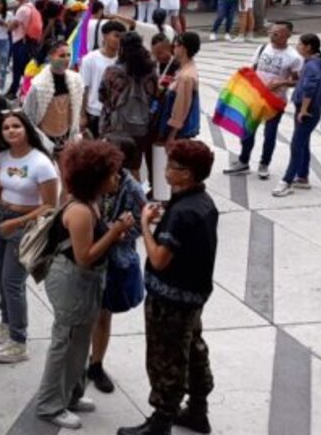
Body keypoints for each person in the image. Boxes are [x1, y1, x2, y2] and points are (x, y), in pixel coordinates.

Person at [118, 140, 219, 435]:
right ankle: (198, 410)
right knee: (193, 350)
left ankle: (161, 420)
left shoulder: (183, 211)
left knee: (166, 357)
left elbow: (160, 259)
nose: (166, 170)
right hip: (194, 295)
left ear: (187, 173)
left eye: (173, 166)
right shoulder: (202, 202)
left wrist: (146, 226)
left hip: (171, 299)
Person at [33, 140, 135, 429]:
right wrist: (115, 231)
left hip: (86, 281)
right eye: (113, 173)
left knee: (79, 342)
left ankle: (72, 394)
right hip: (73, 281)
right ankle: (50, 405)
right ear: (96, 177)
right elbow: (85, 257)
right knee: (65, 343)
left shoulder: (92, 201)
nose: (118, 178)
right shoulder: (79, 210)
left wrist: (114, 234)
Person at [0, 110, 59, 364]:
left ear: (27, 128)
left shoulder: (41, 163)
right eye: (6, 128)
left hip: (24, 228)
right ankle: (7, 322)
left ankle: (19, 340)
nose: (11, 131)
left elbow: (50, 205)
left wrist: (15, 220)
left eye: (16, 126)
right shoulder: (3, 157)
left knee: (12, 282)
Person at [87, 135, 147, 396]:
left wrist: (121, 234)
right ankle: (76, 359)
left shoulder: (132, 188)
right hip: (86, 254)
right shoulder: (89, 177)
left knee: (102, 313)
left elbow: (142, 223)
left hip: (113, 260)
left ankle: (96, 363)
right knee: (80, 312)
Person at [226, 21, 302, 179]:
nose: (273, 35)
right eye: (271, 32)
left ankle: (264, 164)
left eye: (277, 33)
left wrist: (281, 83)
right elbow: (253, 69)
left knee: (270, 134)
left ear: (288, 35)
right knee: (247, 130)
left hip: (275, 100)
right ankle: (243, 160)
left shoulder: (294, 57)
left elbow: (297, 81)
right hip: (255, 98)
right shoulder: (262, 48)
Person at [273, 33, 321, 197]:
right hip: (311, 109)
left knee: (296, 145)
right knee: (303, 142)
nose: (297, 46)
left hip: (308, 111)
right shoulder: (318, 62)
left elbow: (309, 88)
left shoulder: (312, 65)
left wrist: (304, 110)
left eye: (300, 44)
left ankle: (287, 181)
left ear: (308, 47)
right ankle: (303, 176)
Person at [100, 31, 158, 181]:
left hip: (117, 127)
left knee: (114, 167)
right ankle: (137, 200)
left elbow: (102, 96)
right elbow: (155, 96)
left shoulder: (113, 71)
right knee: (134, 168)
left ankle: (115, 201)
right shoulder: (150, 70)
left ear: (122, 48)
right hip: (141, 127)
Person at [158, 33, 201, 154]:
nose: (173, 48)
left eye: (176, 45)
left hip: (178, 132)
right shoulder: (182, 67)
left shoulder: (186, 77)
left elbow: (181, 108)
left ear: (183, 48)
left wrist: (172, 135)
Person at [80, 20, 124, 139]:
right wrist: (82, 115)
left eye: (122, 37)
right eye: (116, 36)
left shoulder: (123, 61)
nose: (119, 40)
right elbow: (84, 88)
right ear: (104, 36)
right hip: (94, 112)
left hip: (116, 114)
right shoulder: (90, 59)